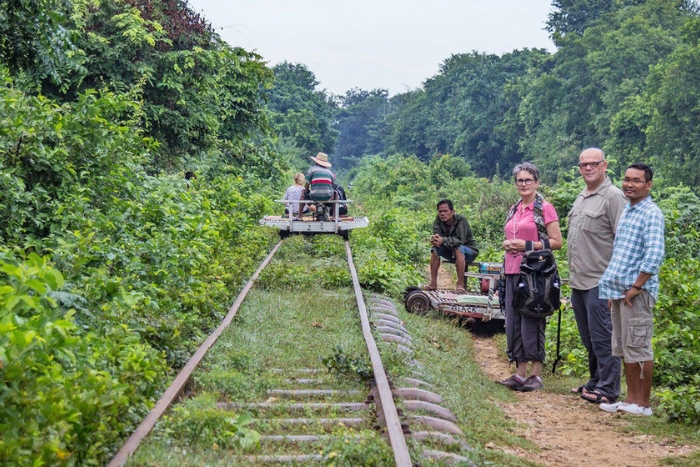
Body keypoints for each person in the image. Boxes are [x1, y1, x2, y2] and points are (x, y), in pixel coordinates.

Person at [599, 163, 665, 416]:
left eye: (636, 181)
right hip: (619, 292)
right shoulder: (628, 210)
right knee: (625, 346)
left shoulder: (651, 213)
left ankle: (643, 404)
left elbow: (654, 255)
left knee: (639, 346)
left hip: (636, 293)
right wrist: (612, 291)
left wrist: (637, 287)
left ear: (648, 185)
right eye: (626, 179)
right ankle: (630, 400)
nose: (629, 184)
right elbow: (620, 254)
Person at [567, 148, 627, 404]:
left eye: (594, 164)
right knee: (588, 336)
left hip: (601, 281)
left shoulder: (614, 197)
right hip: (579, 280)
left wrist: (618, 284)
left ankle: (609, 388)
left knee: (604, 336)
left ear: (605, 166)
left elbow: (623, 242)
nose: (588, 168)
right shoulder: (582, 197)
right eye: (583, 165)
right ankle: (596, 380)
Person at [497, 162, 562, 392]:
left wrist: (526, 245)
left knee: (532, 322)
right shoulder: (514, 208)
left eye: (528, 180)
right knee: (513, 322)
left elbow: (556, 242)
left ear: (537, 182)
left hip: (535, 274)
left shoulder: (544, 208)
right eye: (519, 180)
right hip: (512, 271)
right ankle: (520, 373)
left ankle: (535, 374)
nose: (523, 184)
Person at [427, 199, 479, 294]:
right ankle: (433, 283)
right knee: (435, 249)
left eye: (445, 211)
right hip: (451, 250)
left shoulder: (461, 220)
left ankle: (460, 285)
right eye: (440, 211)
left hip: (468, 251)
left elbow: (460, 240)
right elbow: (438, 235)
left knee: (458, 248)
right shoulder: (438, 220)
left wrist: (442, 240)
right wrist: (436, 240)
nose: (442, 214)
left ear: (452, 212)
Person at [305, 152, 335, 221]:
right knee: (335, 195)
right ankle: (334, 216)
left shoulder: (312, 170)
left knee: (304, 193)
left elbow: (307, 185)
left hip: (314, 196)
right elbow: (332, 185)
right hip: (328, 196)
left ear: (316, 162)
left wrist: (305, 191)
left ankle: (300, 215)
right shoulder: (330, 172)